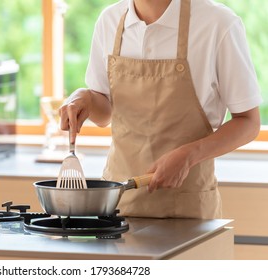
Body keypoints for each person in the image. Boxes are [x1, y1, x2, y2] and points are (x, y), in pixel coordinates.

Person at [58, 0, 262, 219]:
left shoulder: (218, 23)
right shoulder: (110, 20)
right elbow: (104, 113)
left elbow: (248, 122)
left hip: (187, 209)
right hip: (118, 204)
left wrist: (188, 155)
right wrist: (85, 98)